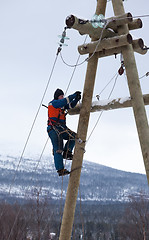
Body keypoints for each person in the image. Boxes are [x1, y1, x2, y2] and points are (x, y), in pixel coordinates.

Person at [47, 89, 81, 176]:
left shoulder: (62, 106)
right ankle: (60, 169)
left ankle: (67, 152)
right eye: (61, 96)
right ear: (57, 97)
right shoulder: (54, 103)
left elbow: (70, 105)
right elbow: (64, 101)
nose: (62, 97)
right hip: (53, 129)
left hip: (61, 128)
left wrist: (76, 99)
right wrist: (73, 95)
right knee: (58, 149)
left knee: (73, 136)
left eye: (63, 95)